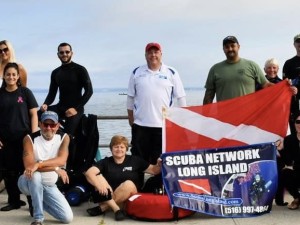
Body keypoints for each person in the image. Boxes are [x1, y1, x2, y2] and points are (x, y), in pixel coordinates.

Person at [127, 42, 186, 166]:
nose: (153, 55)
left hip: (163, 126)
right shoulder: (136, 72)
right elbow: (130, 97)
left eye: (156, 52)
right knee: (138, 161)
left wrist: (181, 121)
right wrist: (131, 119)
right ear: (145, 55)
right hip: (141, 125)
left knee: (161, 160)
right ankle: (137, 185)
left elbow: (180, 98)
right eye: (150, 52)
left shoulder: (171, 72)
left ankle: (158, 185)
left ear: (161, 54)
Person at [85, 135, 161, 221]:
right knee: (98, 176)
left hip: (128, 199)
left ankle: (103, 208)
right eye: (116, 147)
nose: (119, 149)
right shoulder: (105, 162)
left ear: (126, 149)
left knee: (128, 184)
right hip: (110, 195)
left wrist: (160, 163)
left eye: (122, 147)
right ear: (111, 148)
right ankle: (116, 209)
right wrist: (99, 185)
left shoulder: (135, 160)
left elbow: (154, 170)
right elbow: (89, 173)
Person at [18, 111, 73, 225]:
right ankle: (38, 218)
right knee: (36, 176)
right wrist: (55, 168)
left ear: (57, 126)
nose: (48, 128)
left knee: (67, 218)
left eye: (52, 125)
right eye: (45, 124)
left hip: (49, 185)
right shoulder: (29, 138)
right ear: (40, 124)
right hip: (27, 182)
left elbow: (62, 160)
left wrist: (38, 164)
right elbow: (29, 167)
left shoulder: (64, 137)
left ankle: (36, 201)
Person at [0, 62, 38, 211]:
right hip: (5, 140)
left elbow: (34, 114)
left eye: (13, 74)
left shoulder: (25, 92)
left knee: (27, 170)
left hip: (24, 139)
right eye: (8, 74)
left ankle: (32, 204)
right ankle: (14, 201)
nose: (11, 77)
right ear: (4, 76)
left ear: (18, 77)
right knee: (9, 172)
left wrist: (33, 135)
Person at [40, 42, 93, 136]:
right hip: (60, 107)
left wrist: (75, 108)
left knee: (67, 135)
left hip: (76, 108)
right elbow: (52, 93)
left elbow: (89, 91)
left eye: (67, 52)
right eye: (61, 52)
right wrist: (45, 104)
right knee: (37, 115)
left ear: (71, 53)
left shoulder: (80, 70)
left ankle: (65, 140)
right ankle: (54, 133)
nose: (64, 54)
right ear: (58, 55)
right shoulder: (55, 72)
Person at [203, 36, 273, 104]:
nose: (230, 49)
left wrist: (283, 86)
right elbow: (208, 97)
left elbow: (266, 85)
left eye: (233, 46)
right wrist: (203, 115)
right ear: (223, 49)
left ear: (238, 47)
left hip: (248, 115)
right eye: (227, 47)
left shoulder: (252, 65)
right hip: (224, 115)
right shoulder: (215, 69)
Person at [276, 112, 300, 210]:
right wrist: (281, 149)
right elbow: (288, 161)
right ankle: (297, 198)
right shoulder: (289, 140)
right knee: (285, 173)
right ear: (294, 124)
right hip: (297, 173)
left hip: (297, 168)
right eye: (298, 121)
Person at [283, 34, 300, 135]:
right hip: (294, 104)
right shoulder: (289, 63)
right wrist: (291, 88)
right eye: (298, 42)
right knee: (295, 130)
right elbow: (285, 84)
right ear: (294, 44)